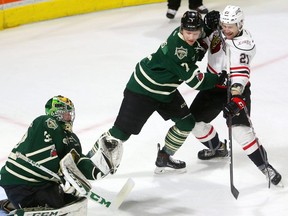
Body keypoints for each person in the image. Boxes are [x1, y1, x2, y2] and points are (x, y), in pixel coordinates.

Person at [86, 10, 227, 176]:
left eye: (195, 33)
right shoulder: (179, 50)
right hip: (143, 89)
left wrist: (208, 29)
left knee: (186, 123)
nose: (191, 36)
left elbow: (198, 46)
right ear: (182, 29)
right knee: (120, 133)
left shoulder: (188, 36)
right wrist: (218, 78)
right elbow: (196, 82)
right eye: (188, 32)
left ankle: (164, 157)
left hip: (165, 90)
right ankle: (86, 161)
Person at [189, 5, 282, 185]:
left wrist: (236, 98)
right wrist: (206, 26)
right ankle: (216, 148)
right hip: (213, 87)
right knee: (193, 123)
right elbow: (198, 38)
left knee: (240, 131)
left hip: (234, 89)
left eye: (230, 26)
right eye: (224, 25)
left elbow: (240, 75)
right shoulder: (219, 30)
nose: (226, 29)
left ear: (240, 24)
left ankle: (265, 167)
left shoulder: (244, 44)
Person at [0, 95, 107, 213]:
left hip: (41, 183)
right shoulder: (44, 122)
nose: (68, 116)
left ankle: (12, 205)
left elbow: (77, 161)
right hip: (19, 180)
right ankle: (16, 207)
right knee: (52, 207)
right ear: (54, 113)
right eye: (63, 113)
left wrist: (95, 169)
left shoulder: (72, 139)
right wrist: (62, 165)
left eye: (69, 113)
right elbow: (48, 152)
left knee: (62, 203)